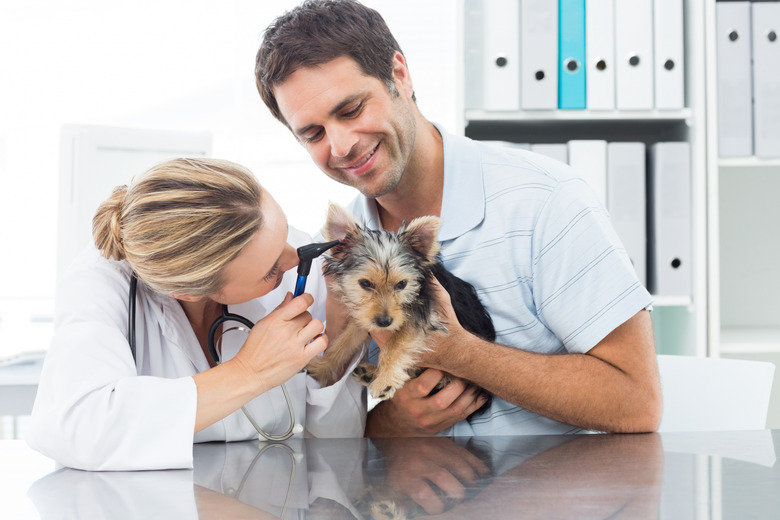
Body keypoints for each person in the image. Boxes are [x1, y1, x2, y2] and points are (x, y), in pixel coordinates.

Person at [254, 0, 662, 437]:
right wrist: (393, 422)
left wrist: (462, 354)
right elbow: (341, 423)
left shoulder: (545, 202)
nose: (340, 146)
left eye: (351, 109)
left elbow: (637, 404)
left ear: (400, 75)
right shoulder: (342, 251)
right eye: (312, 133)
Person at [26, 158, 365, 471]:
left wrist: (338, 338)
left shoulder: (292, 261)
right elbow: (79, 428)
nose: (295, 257)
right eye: (270, 272)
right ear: (189, 292)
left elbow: (339, 444)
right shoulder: (100, 284)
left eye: (285, 233)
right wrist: (250, 371)